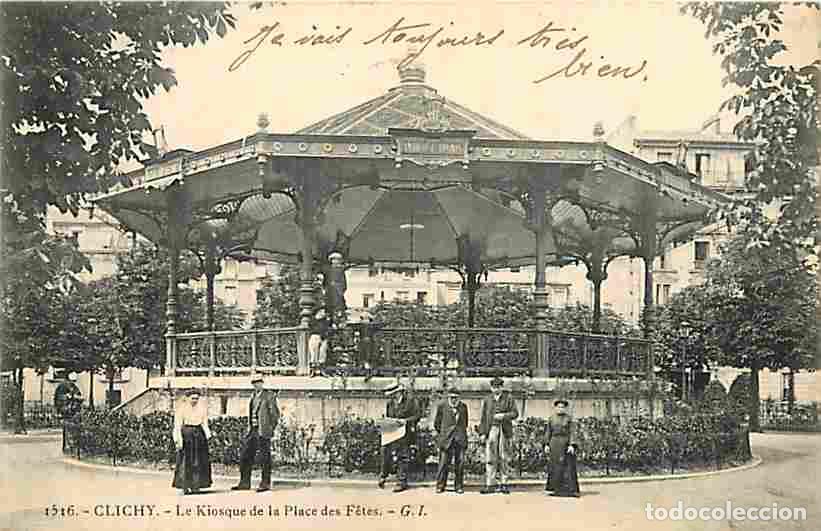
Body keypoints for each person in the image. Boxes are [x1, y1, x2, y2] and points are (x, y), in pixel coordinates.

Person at [232, 374, 280, 492]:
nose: (256, 384)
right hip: (253, 430)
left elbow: (275, 415)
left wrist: (270, 428)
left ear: (262, 383)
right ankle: (244, 482)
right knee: (245, 455)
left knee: (264, 457)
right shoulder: (253, 396)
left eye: (258, 382)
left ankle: (265, 483)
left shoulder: (269, 396)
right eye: (254, 383)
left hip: (263, 431)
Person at [479, 376, 519, 494]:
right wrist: (482, 433)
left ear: (502, 387)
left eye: (499, 387)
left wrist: (504, 416)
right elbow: (483, 417)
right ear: (491, 388)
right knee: (490, 457)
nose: (496, 389)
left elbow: (515, 413)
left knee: (504, 457)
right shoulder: (487, 400)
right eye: (494, 387)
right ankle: (490, 483)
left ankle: (504, 483)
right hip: (491, 429)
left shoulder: (508, 398)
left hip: (504, 429)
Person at [378, 383, 421, 493]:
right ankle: (383, 476)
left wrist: (405, 421)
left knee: (403, 456)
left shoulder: (411, 401)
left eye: (394, 394)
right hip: (393, 432)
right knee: (385, 451)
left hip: (406, 433)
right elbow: (389, 416)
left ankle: (401, 482)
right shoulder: (390, 403)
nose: (392, 396)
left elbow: (417, 416)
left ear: (399, 392)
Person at [172, 388, 212, 495]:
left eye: (197, 399)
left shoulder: (202, 408)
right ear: (187, 398)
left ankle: (196, 485)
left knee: (199, 461)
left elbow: (204, 423)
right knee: (186, 461)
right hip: (187, 436)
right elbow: (177, 425)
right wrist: (178, 440)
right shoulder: (182, 409)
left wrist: (208, 435)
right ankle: (185, 485)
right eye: (193, 398)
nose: (195, 400)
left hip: (199, 436)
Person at [433, 386, 468, 494]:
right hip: (446, 439)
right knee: (443, 463)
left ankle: (459, 486)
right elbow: (437, 423)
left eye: (456, 398)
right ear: (448, 397)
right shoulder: (442, 406)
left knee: (460, 463)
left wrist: (460, 433)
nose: (454, 400)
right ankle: (440, 485)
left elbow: (465, 423)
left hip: (459, 438)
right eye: (452, 397)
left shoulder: (463, 407)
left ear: (459, 398)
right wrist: (444, 434)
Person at [544, 399, 580, 497]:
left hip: (565, 444)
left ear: (565, 408)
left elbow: (573, 432)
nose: (560, 409)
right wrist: (546, 444)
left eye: (562, 407)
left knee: (568, 467)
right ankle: (555, 489)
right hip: (554, 444)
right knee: (555, 467)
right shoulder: (551, 418)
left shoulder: (569, 419)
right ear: (555, 408)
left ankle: (570, 490)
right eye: (558, 407)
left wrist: (572, 445)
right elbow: (548, 432)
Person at [308, 308, 331, 377]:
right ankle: (313, 371)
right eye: (322, 312)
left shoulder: (325, 321)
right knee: (313, 354)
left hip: (324, 338)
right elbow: (311, 328)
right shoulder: (313, 320)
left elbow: (328, 328)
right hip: (315, 336)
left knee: (322, 354)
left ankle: (322, 371)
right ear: (318, 312)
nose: (324, 313)